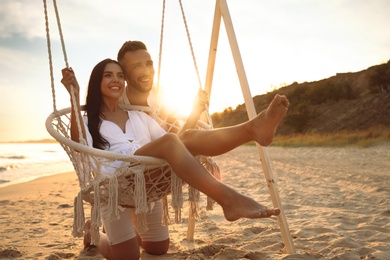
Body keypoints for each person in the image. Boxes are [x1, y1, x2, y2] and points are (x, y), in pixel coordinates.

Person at [61, 58, 289, 260]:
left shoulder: (138, 116)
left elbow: (177, 143)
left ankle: (253, 130)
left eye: (120, 76)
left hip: (150, 181)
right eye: (108, 75)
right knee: (127, 257)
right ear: (96, 82)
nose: (116, 80)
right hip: (118, 185)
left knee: (158, 248)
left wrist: (194, 112)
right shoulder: (89, 121)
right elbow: (78, 143)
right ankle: (93, 232)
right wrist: (74, 95)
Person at [117, 40, 206, 133]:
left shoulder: (162, 95)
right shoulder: (116, 104)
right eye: (137, 66)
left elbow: (180, 139)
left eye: (149, 64)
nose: (147, 72)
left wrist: (196, 111)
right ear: (123, 75)